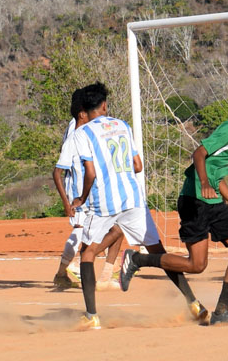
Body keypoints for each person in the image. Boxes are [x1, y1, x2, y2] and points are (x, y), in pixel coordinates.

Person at [119, 90, 228, 326]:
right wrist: (205, 183)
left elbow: (217, 176)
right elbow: (198, 153)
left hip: (214, 202)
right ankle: (137, 260)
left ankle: (221, 311)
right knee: (196, 265)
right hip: (195, 200)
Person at [71, 82, 205, 330]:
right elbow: (138, 165)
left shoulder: (82, 133)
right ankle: (194, 303)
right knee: (157, 251)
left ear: (84, 109)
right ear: (104, 105)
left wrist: (81, 197)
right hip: (133, 199)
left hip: (105, 202)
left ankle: (92, 316)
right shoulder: (122, 125)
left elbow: (90, 172)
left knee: (87, 254)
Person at [51, 87, 122, 291]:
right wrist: (67, 202)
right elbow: (58, 171)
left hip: (94, 190)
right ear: (83, 111)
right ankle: (73, 268)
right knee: (85, 231)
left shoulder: (90, 129)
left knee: (115, 227)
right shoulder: (76, 133)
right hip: (80, 193)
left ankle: (100, 273)